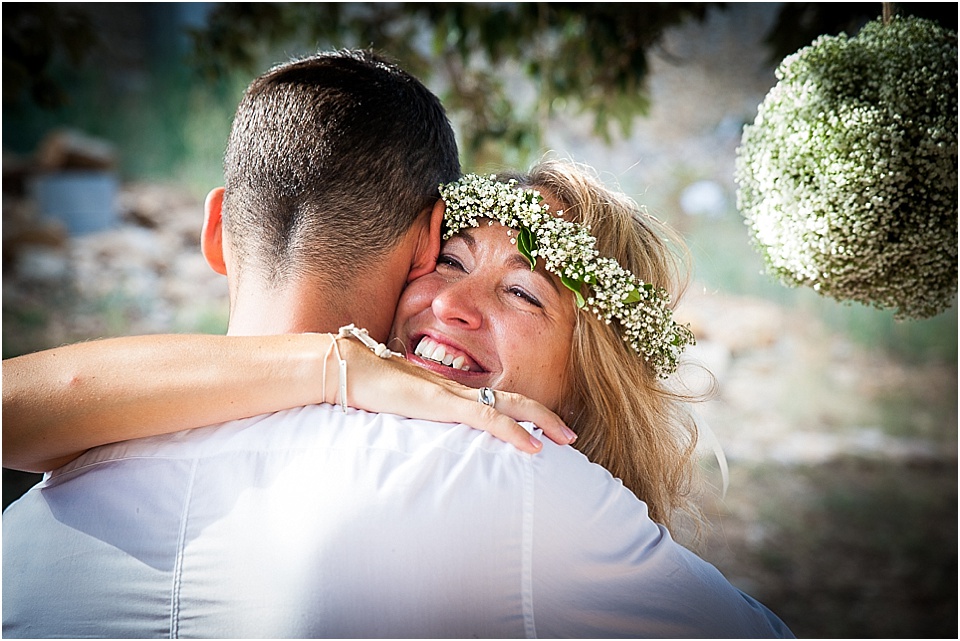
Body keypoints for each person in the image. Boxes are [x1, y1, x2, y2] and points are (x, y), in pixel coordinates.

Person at [2, 51, 793, 637]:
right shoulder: (508, 488)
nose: (451, 304)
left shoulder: (31, 526)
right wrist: (338, 363)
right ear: (418, 250)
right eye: (450, 259)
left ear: (216, 231)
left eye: (522, 291)